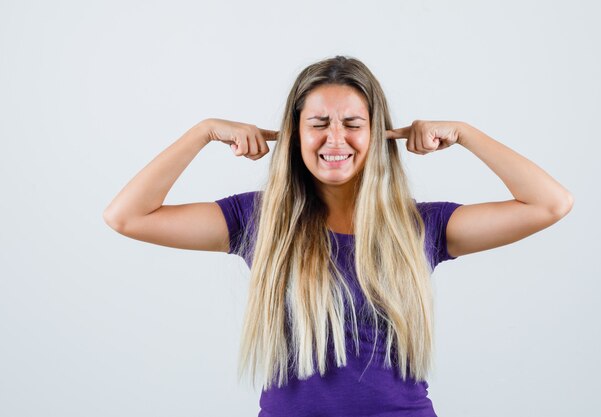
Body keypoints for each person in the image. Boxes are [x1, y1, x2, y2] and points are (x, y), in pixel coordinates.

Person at [103, 55, 574, 417]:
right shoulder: (260, 219)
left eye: (352, 124)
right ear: (293, 133)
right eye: (318, 123)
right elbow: (127, 216)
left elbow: (550, 204)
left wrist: (466, 133)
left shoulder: (419, 227)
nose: (335, 139)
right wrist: (202, 132)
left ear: (377, 134)